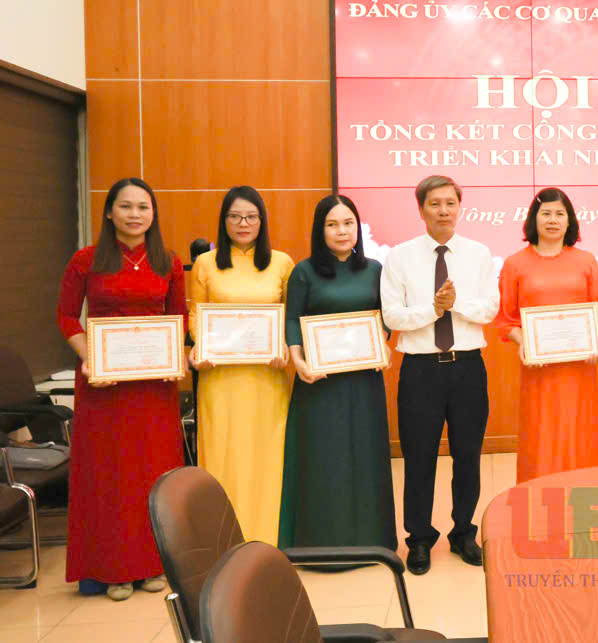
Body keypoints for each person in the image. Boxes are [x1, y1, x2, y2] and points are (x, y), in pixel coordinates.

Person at [55, 177, 185, 600]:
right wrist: (89, 357)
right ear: (109, 212)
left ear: (153, 213)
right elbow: (66, 316)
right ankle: (112, 569)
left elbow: (178, 318)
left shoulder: (168, 261)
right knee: (109, 476)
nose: (134, 214)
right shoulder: (86, 260)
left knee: (152, 472)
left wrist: (176, 358)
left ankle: (151, 565)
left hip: (152, 388)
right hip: (103, 385)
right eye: (125, 206)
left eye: (143, 207)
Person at [381, 175, 497, 574]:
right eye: (435, 204)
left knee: (468, 455)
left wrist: (454, 303)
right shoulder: (399, 257)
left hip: (467, 368)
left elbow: (489, 309)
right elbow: (393, 316)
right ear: (421, 209)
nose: (443, 211)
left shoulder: (479, 254)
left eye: (450, 203)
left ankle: (464, 532)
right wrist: (433, 309)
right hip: (420, 371)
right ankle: (419, 538)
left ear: (459, 207)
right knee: (418, 457)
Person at [279, 194, 396, 551]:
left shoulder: (375, 269)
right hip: (319, 383)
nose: (342, 231)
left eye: (348, 223)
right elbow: (292, 320)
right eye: (332, 224)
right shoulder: (304, 271)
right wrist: (297, 360)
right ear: (320, 230)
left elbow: (385, 319)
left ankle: (371, 542)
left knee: (364, 456)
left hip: (364, 381)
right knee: (323, 459)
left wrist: (383, 343)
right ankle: (321, 544)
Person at [188, 186, 294, 545]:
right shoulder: (206, 263)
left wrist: (285, 345)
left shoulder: (281, 262)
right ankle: (222, 540)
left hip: (267, 377)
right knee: (223, 455)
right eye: (234, 216)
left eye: (250, 216)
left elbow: (290, 317)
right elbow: (195, 315)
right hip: (221, 377)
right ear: (224, 221)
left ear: (262, 221)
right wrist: (201, 344)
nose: (243, 223)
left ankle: (269, 539)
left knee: (267, 458)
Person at [496, 188, 598, 483]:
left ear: (570, 220)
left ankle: (586, 494)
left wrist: (594, 341)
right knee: (541, 431)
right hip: (539, 368)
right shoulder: (514, 263)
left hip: (579, 367)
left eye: (560, 213)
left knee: (580, 429)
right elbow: (506, 319)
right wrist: (525, 342)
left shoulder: (586, 261)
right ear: (534, 219)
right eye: (545, 213)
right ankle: (539, 497)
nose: (553, 220)